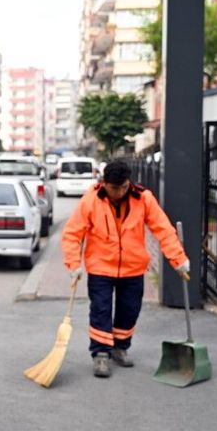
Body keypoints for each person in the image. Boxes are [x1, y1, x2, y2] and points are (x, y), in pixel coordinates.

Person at [61, 159, 189, 378]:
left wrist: (178, 259)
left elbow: (163, 230)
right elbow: (73, 233)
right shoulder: (91, 200)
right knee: (100, 310)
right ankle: (101, 354)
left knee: (129, 310)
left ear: (129, 182)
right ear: (104, 184)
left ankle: (120, 346)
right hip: (101, 267)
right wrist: (74, 264)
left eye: (123, 187)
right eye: (114, 188)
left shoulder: (143, 199)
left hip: (133, 268)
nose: (119, 192)